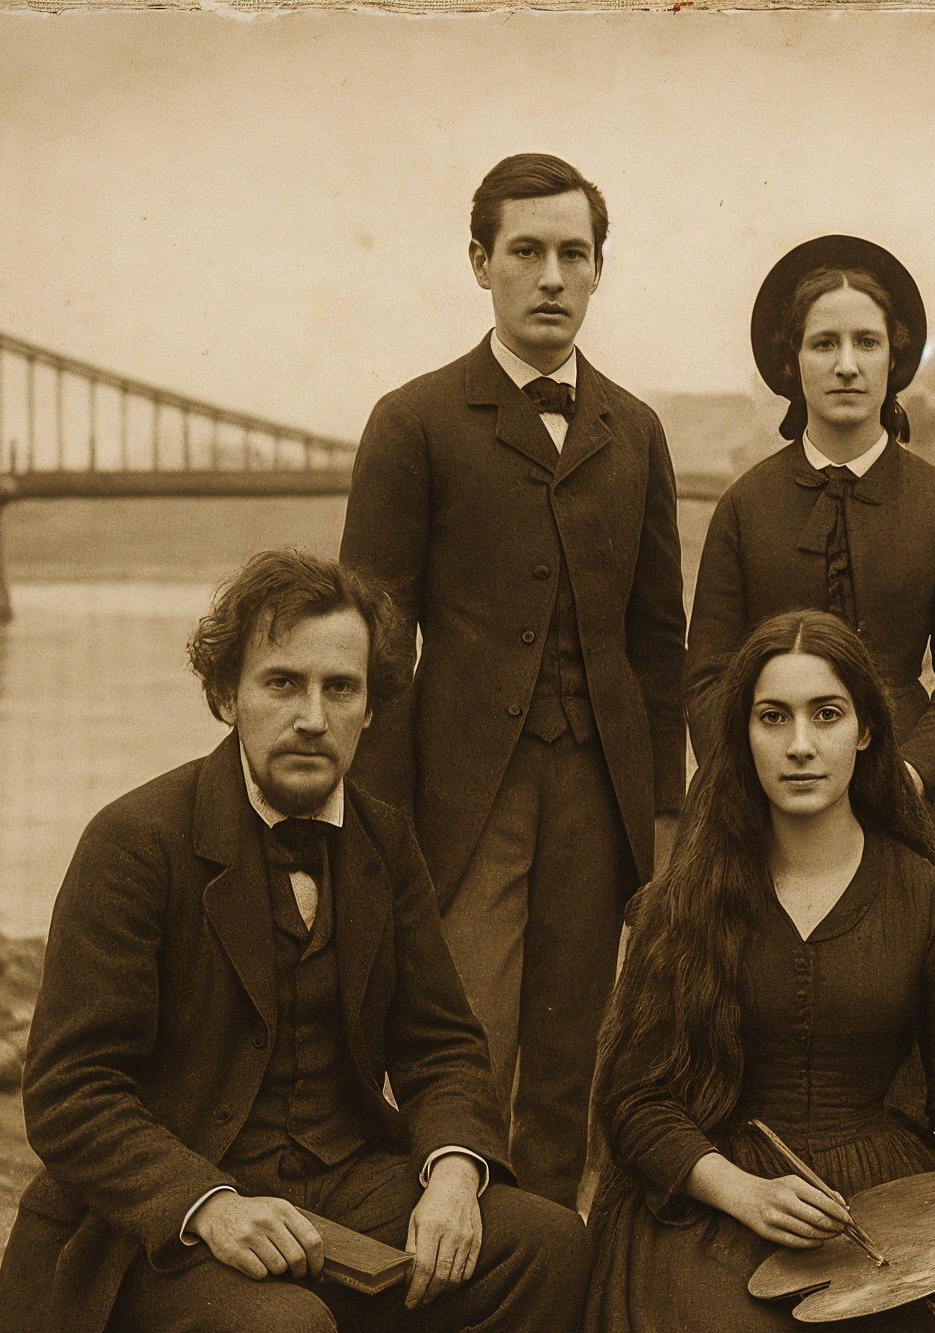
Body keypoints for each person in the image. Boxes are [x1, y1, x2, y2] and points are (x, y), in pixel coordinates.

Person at [0, 550, 591, 1333]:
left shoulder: (385, 842)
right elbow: (71, 1092)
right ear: (227, 694)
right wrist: (209, 1204)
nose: (312, 715)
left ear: (372, 708)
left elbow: (439, 1047)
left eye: (340, 688)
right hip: (162, 1234)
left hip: (346, 1181)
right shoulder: (133, 844)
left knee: (551, 1249)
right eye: (283, 683)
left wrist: (453, 1172)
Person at [541, 609, 935, 1333]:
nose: (801, 746)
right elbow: (636, 1100)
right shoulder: (689, 897)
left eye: (826, 715)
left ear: (868, 731)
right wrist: (740, 1193)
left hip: (881, 1202)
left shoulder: (932, 901)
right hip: (710, 1197)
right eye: (773, 718)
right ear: (742, 737)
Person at [341, 152, 685, 1208]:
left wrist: (665, 822)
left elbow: (658, 646)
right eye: (526, 252)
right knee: (465, 1039)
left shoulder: (636, 431)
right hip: (462, 800)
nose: (550, 277)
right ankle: (446, 1275)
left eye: (572, 255)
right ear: (481, 263)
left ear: (597, 272)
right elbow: (373, 647)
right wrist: (375, 823)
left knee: (572, 1062)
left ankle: (541, 1286)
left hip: (601, 798)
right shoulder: (416, 420)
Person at [686, 235, 935, 1168]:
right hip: (771, 786)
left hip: (923, 799)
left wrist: (907, 773)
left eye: (867, 343)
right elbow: (707, 674)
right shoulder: (745, 507)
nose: (846, 365)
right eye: (822, 344)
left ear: (896, 361)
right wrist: (758, 774)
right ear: (789, 361)